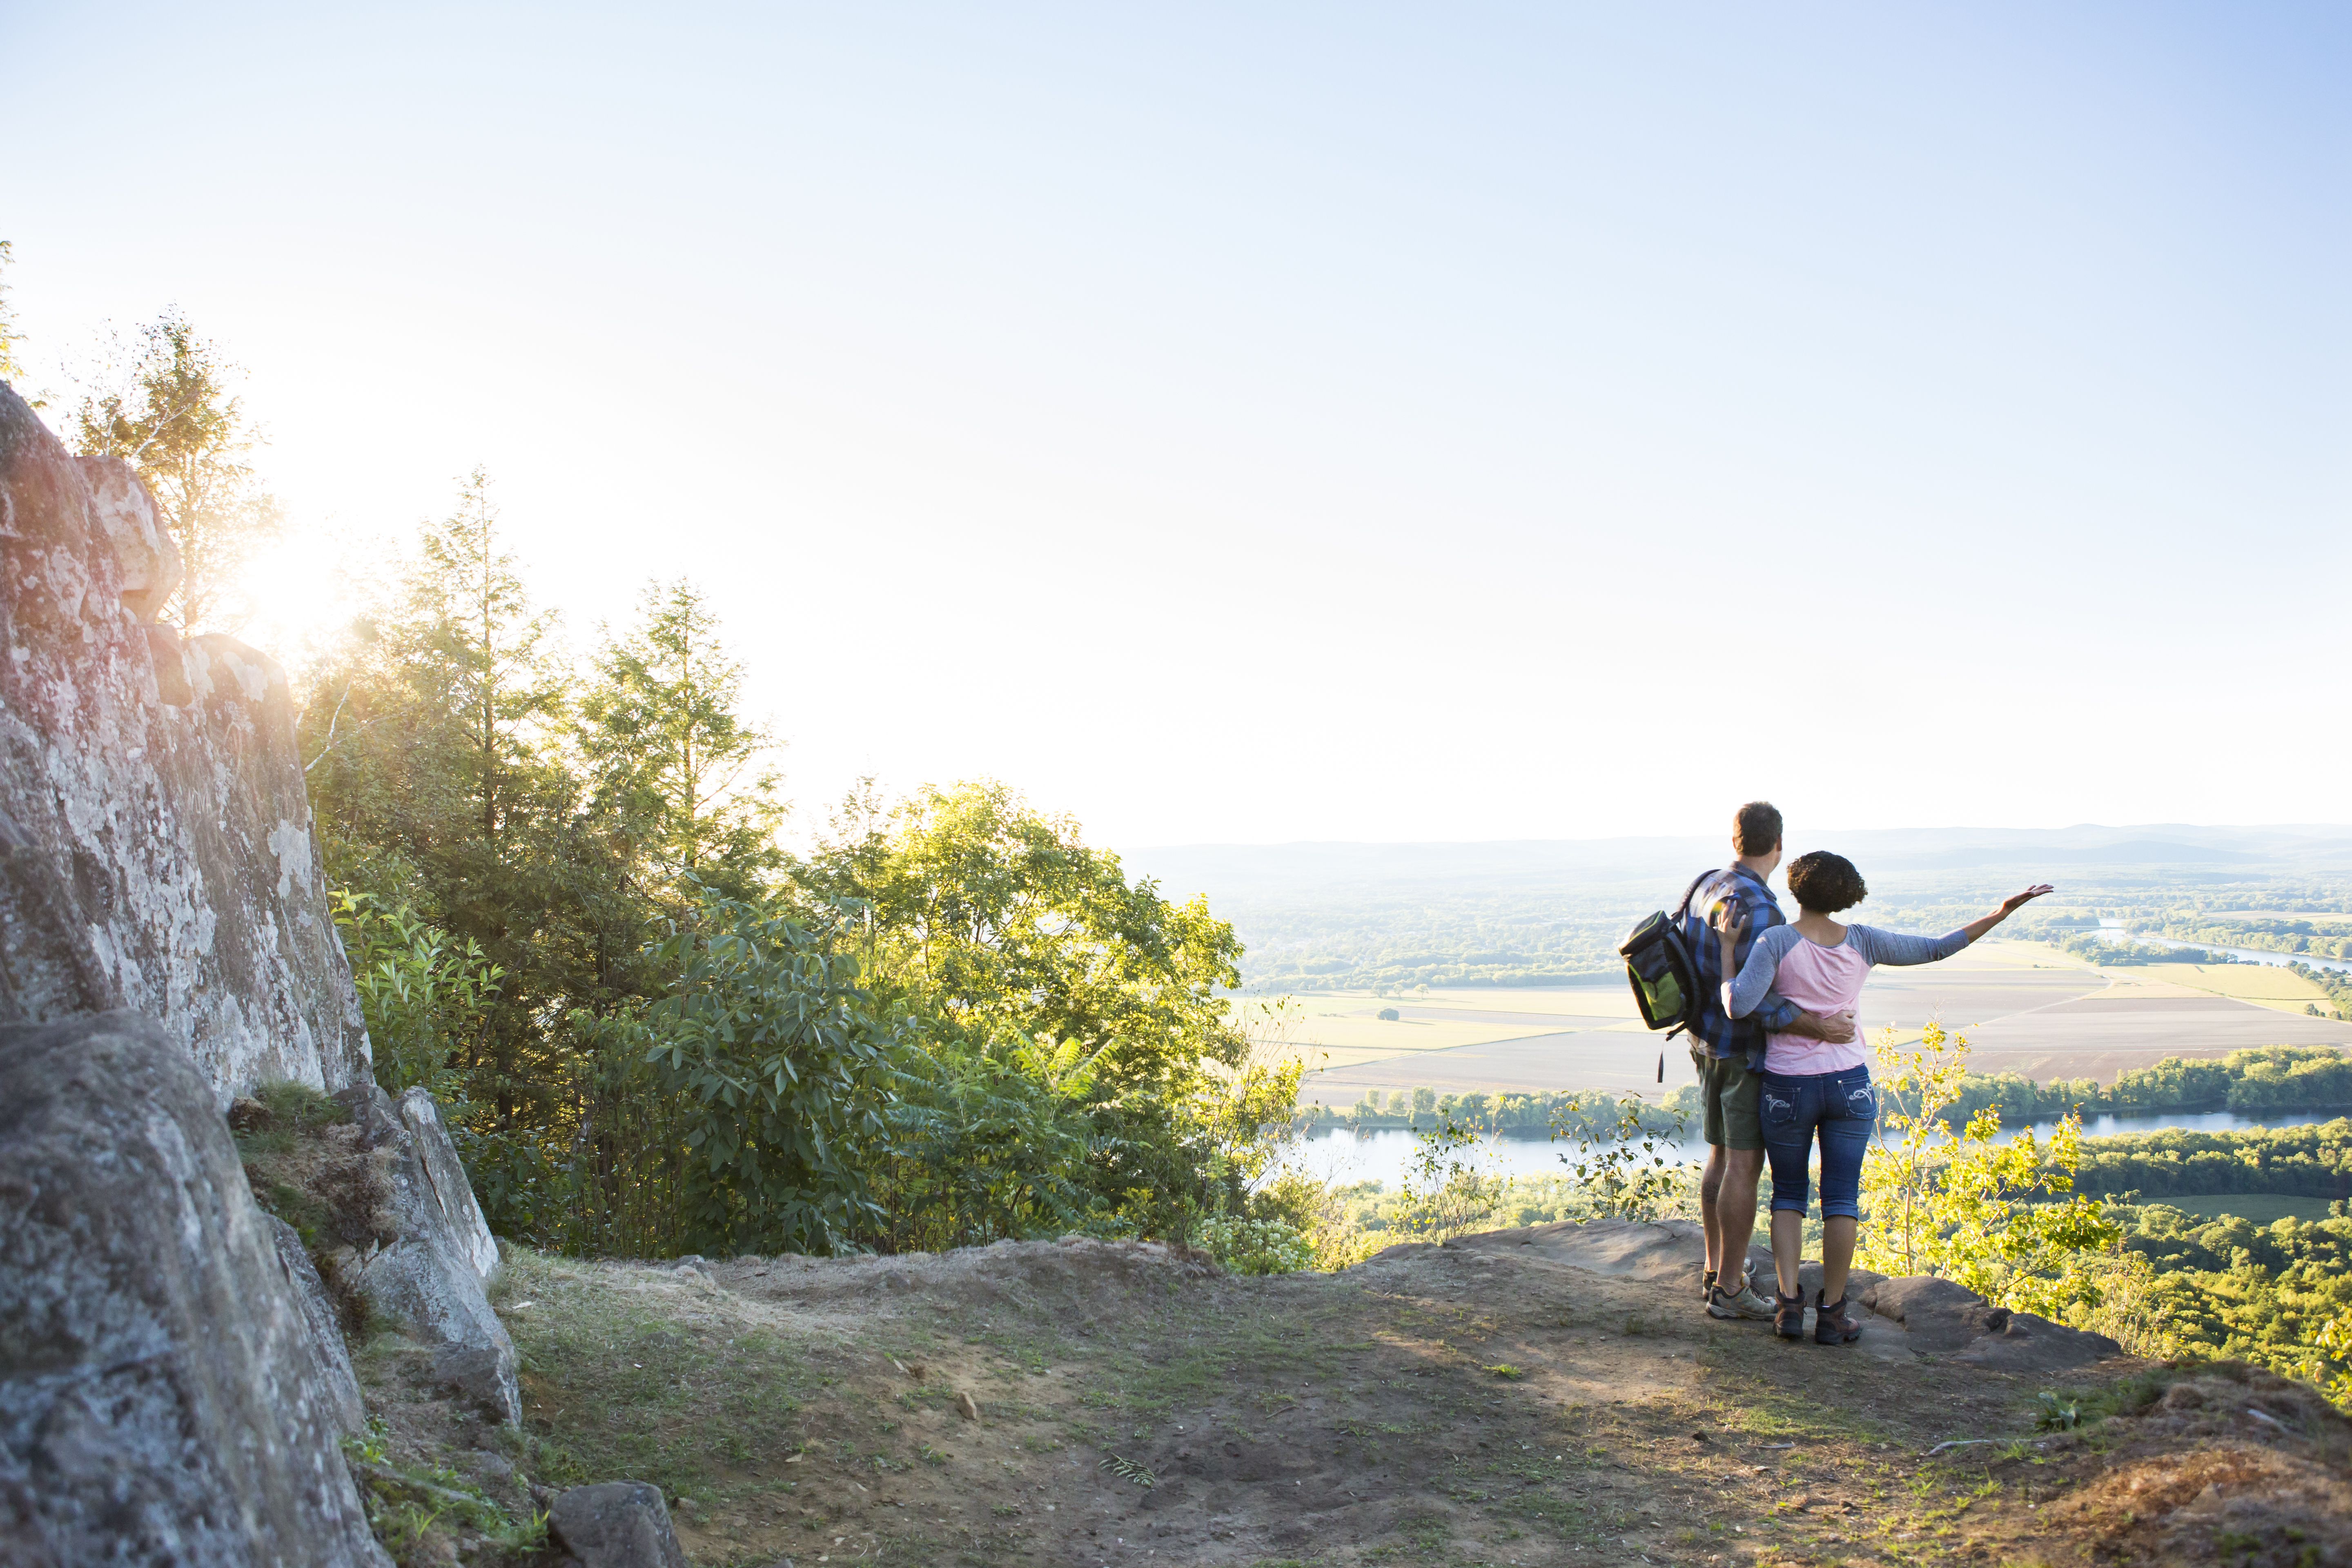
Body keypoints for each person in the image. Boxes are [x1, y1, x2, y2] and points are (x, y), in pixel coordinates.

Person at [1717, 851, 2051, 1344]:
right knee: (1842, 1199)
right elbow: (1939, 949)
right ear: (1846, 894)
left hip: (1787, 1085)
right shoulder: (1865, 942)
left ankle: (1789, 1309)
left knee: (1789, 1195)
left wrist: (1728, 951)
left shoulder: (1776, 942)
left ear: (1796, 890)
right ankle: (1831, 1314)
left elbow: (1737, 1005)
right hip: (1849, 1084)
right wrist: (2000, 914)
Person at [1681, 802, 1860, 1322]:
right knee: (1744, 1165)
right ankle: (1732, 1290)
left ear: (1735, 839)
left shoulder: (1704, 885)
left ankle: (1716, 1269)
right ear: (1778, 844)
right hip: (1742, 1051)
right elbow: (1760, 1000)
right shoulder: (1763, 910)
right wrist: (1817, 1026)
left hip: (1705, 1043)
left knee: (1718, 1157)